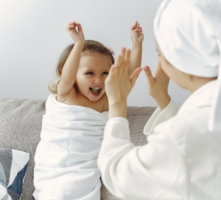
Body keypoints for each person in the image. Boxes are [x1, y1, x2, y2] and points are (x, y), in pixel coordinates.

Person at [98, 0, 221, 199]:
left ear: (183, 57)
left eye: (161, 54)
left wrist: (117, 102)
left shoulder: (187, 135)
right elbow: (200, 160)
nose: (160, 63)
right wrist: (164, 100)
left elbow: (119, 176)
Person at [33, 21, 144, 199]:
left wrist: (137, 45)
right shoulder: (67, 95)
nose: (99, 81)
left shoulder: (108, 101)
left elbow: (128, 78)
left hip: (83, 171)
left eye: (105, 73)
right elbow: (66, 79)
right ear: (73, 75)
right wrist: (79, 43)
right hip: (56, 169)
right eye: (89, 73)